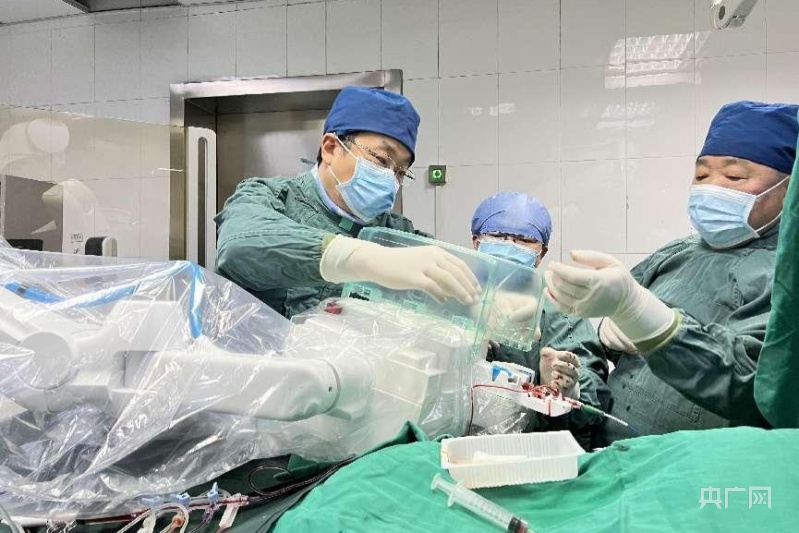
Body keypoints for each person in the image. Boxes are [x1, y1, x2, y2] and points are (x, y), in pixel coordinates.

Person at [544, 101, 799, 444]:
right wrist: (578, 377)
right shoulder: (679, 252)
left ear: (789, 190)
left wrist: (650, 321)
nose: (711, 187)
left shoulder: (785, 278)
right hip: (612, 454)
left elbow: (758, 387)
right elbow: (612, 348)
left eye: (734, 176)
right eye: (701, 175)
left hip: (693, 467)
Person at [215, 86, 480, 318]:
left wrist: (487, 302)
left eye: (400, 172)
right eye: (381, 160)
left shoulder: (397, 233)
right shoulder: (271, 197)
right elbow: (238, 246)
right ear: (331, 148)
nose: (390, 178)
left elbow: (454, 281)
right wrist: (364, 259)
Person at [471, 191, 610, 446]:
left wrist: (565, 389)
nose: (510, 246)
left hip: (532, 447)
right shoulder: (455, 293)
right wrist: (469, 344)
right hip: (454, 440)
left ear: (541, 253)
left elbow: (594, 394)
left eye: (524, 240)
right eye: (498, 236)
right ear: (476, 242)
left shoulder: (560, 308)